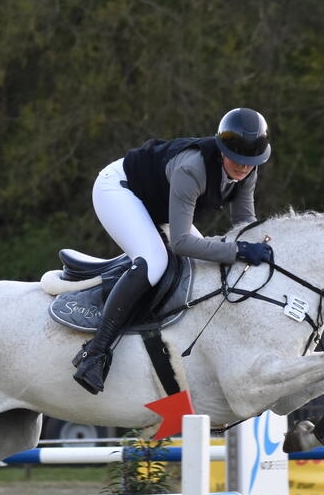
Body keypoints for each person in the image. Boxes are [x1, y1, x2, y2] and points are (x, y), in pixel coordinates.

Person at [72, 107, 274, 394]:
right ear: (221, 151)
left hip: (157, 202)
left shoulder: (247, 170)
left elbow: (245, 224)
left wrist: (263, 248)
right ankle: (95, 353)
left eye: (250, 163)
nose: (243, 168)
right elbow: (180, 243)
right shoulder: (192, 168)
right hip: (120, 189)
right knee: (154, 262)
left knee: (201, 268)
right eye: (237, 160)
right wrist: (239, 251)